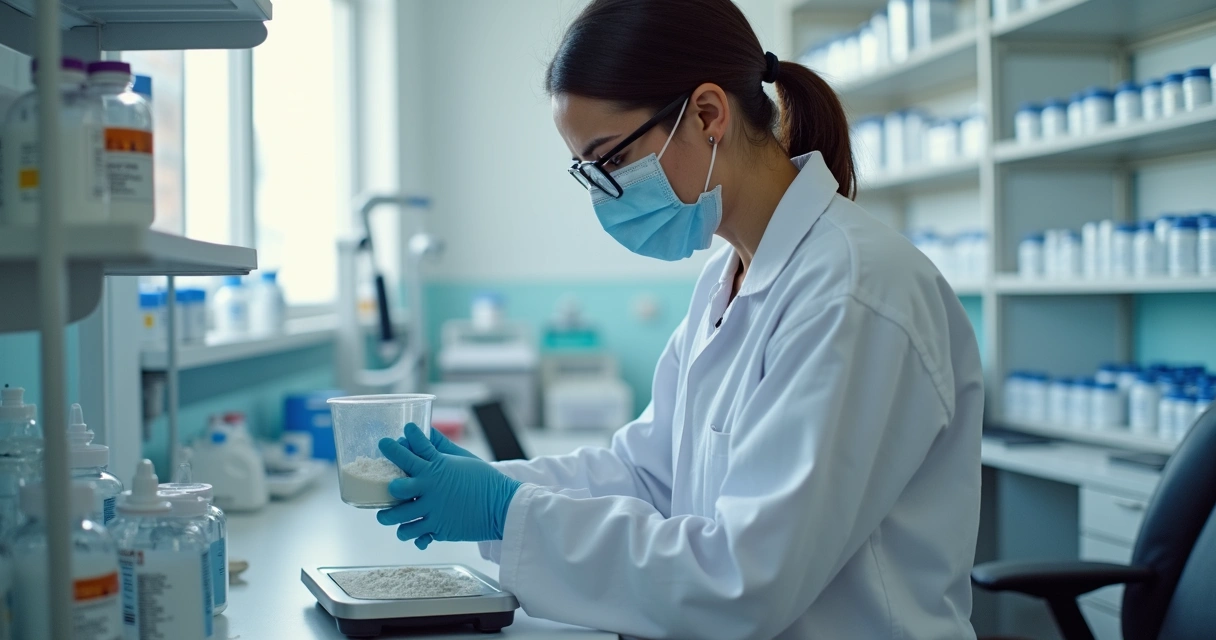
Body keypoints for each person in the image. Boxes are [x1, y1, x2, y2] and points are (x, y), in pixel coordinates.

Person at [373, 0, 984, 637]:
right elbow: (647, 473)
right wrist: (491, 486)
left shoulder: (853, 293)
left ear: (707, 115)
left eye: (611, 160)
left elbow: (744, 580)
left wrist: (508, 512)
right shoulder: (726, 280)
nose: (605, 194)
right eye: (589, 172)